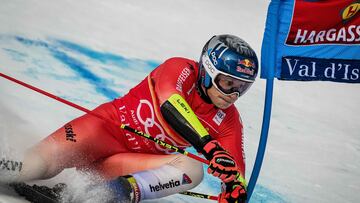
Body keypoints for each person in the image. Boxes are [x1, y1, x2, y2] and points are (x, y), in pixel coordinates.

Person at [2, 34, 258, 203]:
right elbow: (172, 104)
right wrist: (209, 146)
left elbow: (236, 175)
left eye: (242, 87)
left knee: (192, 169)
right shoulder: (180, 69)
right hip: (102, 130)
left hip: (125, 164)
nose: (234, 94)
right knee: (33, 167)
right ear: (208, 71)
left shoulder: (228, 120)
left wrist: (235, 191)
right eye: (228, 83)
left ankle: (103, 196)